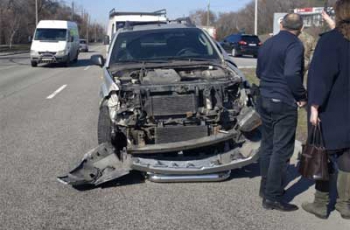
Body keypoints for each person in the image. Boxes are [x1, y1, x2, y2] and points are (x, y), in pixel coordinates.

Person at [302, 0, 350, 220]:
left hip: (331, 108)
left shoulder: (330, 42)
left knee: (323, 153)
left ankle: (321, 204)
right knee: (348, 154)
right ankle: (344, 204)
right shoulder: (338, 39)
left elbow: (321, 76)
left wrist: (314, 107)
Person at [256, 13, 307, 212]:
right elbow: (291, 74)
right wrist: (301, 95)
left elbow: (259, 72)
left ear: (282, 25)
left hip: (265, 98)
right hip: (283, 100)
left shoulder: (268, 43)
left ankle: (265, 188)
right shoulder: (295, 45)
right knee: (282, 149)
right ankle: (272, 197)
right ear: (300, 28)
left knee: (268, 144)